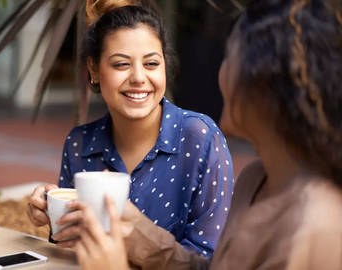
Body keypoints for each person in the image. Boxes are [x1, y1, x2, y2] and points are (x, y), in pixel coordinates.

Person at [69, 0, 342, 269]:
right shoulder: (253, 180)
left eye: (231, 58)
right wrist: (141, 234)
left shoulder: (317, 230)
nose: (220, 72)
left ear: (268, 81)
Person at [26, 0, 235, 257]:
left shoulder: (200, 138)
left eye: (151, 64)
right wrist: (52, 213)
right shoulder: (79, 144)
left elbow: (212, 259)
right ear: (93, 69)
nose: (138, 77)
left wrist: (138, 242)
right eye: (121, 64)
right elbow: (74, 248)